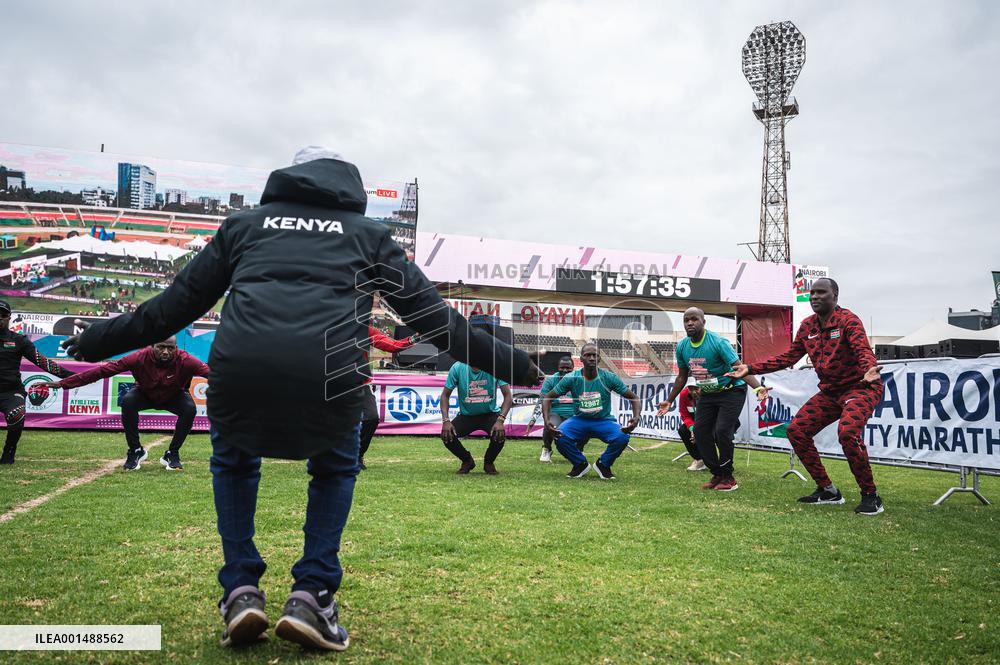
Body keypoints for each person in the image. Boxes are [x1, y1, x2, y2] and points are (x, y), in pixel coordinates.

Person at [60, 147, 539, 651]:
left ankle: (240, 591)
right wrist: (518, 366)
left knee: (234, 464)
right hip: (329, 373)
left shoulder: (244, 226)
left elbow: (171, 309)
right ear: (347, 184)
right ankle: (313, 595)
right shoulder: (370, 236)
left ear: (288, 178)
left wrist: (94, 339)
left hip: (241, 368)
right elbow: (439, 325)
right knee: (333, 469)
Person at [727, 278, 885, 515]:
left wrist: (869, 369)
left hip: (860, 387)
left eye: (821, 293)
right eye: (812, 293)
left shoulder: (848, 320)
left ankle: (871, 496)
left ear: (835, 296)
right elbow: (788, 358)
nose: (815, 297)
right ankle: (828, 491)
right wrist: (750, 368)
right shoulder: (807, 326)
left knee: (847, 433)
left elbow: (863, 350)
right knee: (797, 431)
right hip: (830, 392)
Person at [43, 336, 208, 471]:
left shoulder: (187, 360)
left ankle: (172, 453)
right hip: (144, 393)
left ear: (176, 348)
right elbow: (102, 371)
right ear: (152, 346)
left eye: (170, 348)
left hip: (174, 395)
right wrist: (63, 384)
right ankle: (135, 450)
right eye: (161, 347)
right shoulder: (138, 357)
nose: (166, 351)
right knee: (128, 401)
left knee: (189, 408)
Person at [656, 307, 766, 492]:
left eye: (694, 319)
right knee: (699, 432)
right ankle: (717, 473)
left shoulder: (718, 342)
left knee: (722, 431)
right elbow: (682, 376)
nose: (690, 323)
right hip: (707, 393)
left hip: (731, 390)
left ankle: (728, 478)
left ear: (703, 322)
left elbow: (740, 368)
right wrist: (669, 400)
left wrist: (758, 388)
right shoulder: (682, 347)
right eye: (686, 320)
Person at [542, 342, 641, 480]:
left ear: (599, 358)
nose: (592, 358)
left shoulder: (609, 378)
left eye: (595, 355)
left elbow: (634, 398)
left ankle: (603, 465)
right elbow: (547, 398)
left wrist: (636, 417)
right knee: (560, 436)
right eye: (588, 355)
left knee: (622, 437)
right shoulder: (571, 378)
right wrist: (547, 420)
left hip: (603, 420)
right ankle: (580, 464)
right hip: (579, 420)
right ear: (581, 359)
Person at [0, 300, 75, 465]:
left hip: (11, 392)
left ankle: (9, 451)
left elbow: (44, 363)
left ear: (9, 317)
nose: (0, 318)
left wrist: (73, 376)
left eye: (3, 315)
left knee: (17, 414)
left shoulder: (19, 340)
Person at [358, 324, 419, 469]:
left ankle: (357, 455)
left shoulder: (364, 329)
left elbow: (392, 345)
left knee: (371, 418)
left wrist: (414, 338)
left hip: (360, 384)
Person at [440, 361, 513, 474]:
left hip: (489, 414)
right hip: (467, 416)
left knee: (499, 434)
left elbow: (508, 396)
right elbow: (445, 395)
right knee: (447, 435)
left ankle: (489, 462)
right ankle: (467, 460)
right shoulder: (458, 367)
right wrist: (446, 420)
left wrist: (500, 420)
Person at [527, 355, 580, 462]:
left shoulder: (579, 380)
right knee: (550, 423)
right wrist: (533, 419)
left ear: (573, 368)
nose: (565, 370)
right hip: (556, 413)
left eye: (568, 368)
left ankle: (578, 450)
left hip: (573, 414)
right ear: (558, 367)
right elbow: (542, 400)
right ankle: (547, 448)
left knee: (585, 425)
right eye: (562, 367)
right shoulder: (551, 381)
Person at [676, 384, 706, 471]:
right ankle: (699, 460)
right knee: (683, 430)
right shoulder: (684, 394)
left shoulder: (708, 392)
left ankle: (722, 462)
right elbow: (684, 414)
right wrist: (692, 429)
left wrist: (699, 429)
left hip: (709, 420)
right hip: (695, 421)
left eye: (696, 388)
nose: (693, 392)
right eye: (690, 389)